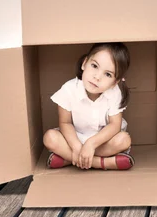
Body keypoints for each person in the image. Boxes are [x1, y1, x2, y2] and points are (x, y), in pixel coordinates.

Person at [43, 42, 135, 170]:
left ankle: (69, 159)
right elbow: (65, 123)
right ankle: (101, 163)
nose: (97, 77)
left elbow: (114, 125)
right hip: (74, 138)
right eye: (94, 66)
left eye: (107, 74)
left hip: (102, 141)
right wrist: (76, 147)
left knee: (124, 140)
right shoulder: (68, 90)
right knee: (50, 138)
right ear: (84, 63)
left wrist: (91, 144)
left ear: (115, 82)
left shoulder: (114, 93)